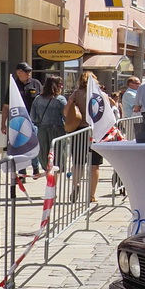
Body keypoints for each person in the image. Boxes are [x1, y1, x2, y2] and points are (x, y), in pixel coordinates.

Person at [2, 61, 41, 188]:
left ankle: (35, 167)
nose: (29, 74)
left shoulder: (36, 84)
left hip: (33, 121)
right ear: (19, 73)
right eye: (26, 71)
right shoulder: (13, 86)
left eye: (29, 71)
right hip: (18, 122)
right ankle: (22, 172)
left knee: (33, 144)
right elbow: (6, 106)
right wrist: (3, 123)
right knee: (20, 147)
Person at [66, 70, 102, 203]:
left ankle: (76, 185)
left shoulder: (76, 93)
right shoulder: (100, 94)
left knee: (78, 163)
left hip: (79, 130)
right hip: (96, 132)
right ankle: (91, 195)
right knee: (95, 165)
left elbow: (66, 110)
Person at [30, 75, 68, 171]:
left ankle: (49, 182)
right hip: (57, 131)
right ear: (55, 86)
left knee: (45, 158)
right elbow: (67, 117)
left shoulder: (38, 99)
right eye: (60, 84)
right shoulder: (60, 100)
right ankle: (54, 184)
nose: (61, 87)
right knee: (57, 159)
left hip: (42, 131)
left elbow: (33, 117)